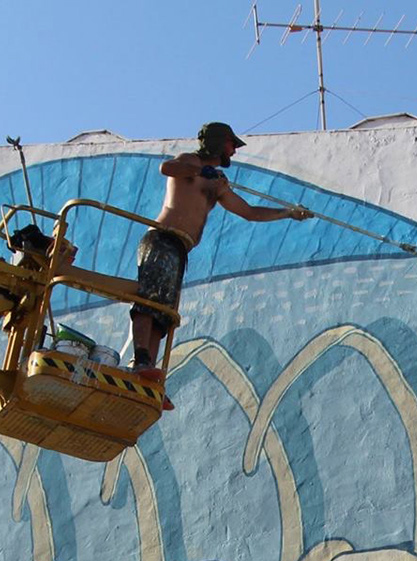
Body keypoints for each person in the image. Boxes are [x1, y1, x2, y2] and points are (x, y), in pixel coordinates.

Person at [126, 122, 312, 382]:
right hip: (162, 239)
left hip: (180, 249)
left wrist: (288, 213)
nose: (233, 151)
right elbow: (166, 168)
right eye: (231, 144)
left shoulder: (218, 183)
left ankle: (147, 370)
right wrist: (200, 170)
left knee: (162, 313)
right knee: (149, 300)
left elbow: (249, 212)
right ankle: (140, 359)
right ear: (216, 142)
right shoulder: (191, 161)